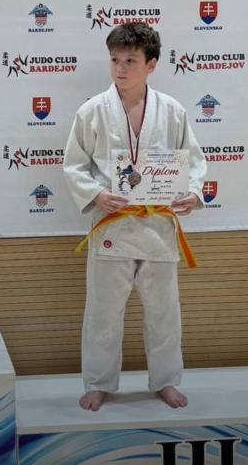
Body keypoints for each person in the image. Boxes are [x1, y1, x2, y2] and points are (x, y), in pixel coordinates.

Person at [62, 23, 206, 411]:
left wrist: (193, 193)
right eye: (114, 60)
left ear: (151, 64)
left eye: (130, 61)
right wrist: (96, 194)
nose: (120, 69)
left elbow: (193, 161)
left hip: (158, 226)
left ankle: (166, 381)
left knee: (164, 312)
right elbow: (74, 164)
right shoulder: (92, 111)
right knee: (103, 312)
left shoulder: (172, 111)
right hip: (113, 225)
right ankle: (98, 382)